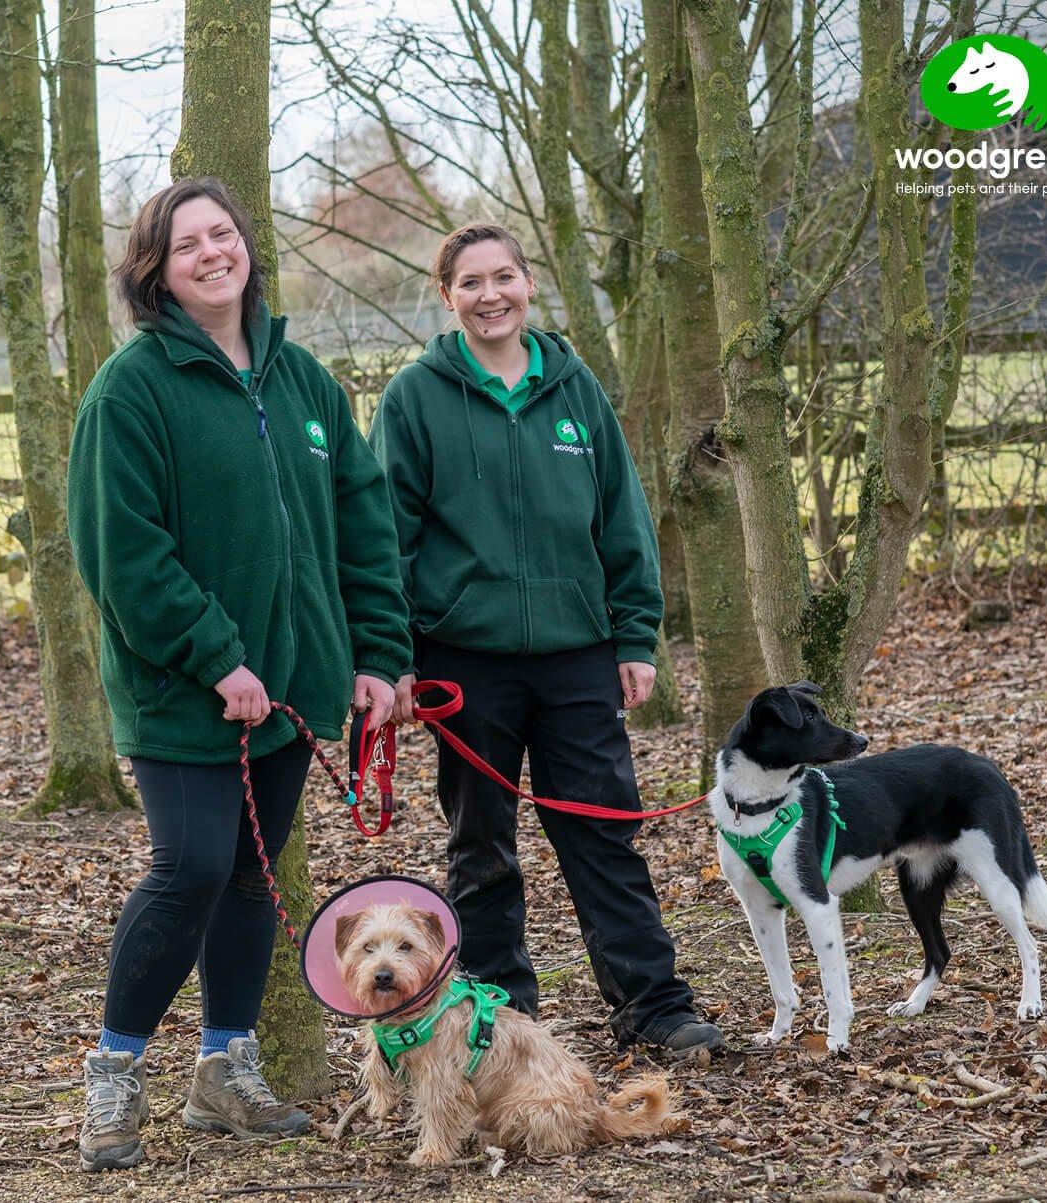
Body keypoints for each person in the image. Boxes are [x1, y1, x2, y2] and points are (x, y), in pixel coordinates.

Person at [65, 178, 412, 1171]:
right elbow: (121, 550)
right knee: (192, 868)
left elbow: (363, 528)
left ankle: (226, 1072)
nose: (212, 254)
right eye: (187, 245)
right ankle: (115, 1073)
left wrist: (378, 656)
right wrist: (218, 657)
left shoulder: (303, 383)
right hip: (181, 689)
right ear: (156, 271)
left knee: (258, 876)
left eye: (224, 235)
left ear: (246, 248)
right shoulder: (130, 390)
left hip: (295, 687)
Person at [369, 223, 724, 1059]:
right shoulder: (415, 397)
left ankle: (654, 1006)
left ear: (530, 284)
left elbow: (622, 517)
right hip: (464, 662)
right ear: (446, 295)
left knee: (604, 830)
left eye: (505, 277)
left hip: (577, 656)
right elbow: (387, 539)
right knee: (481, 847)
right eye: (470, 283)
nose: (490, 295)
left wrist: (636, 634)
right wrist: (398, 658)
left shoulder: (576, 390)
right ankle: (498, 1018)